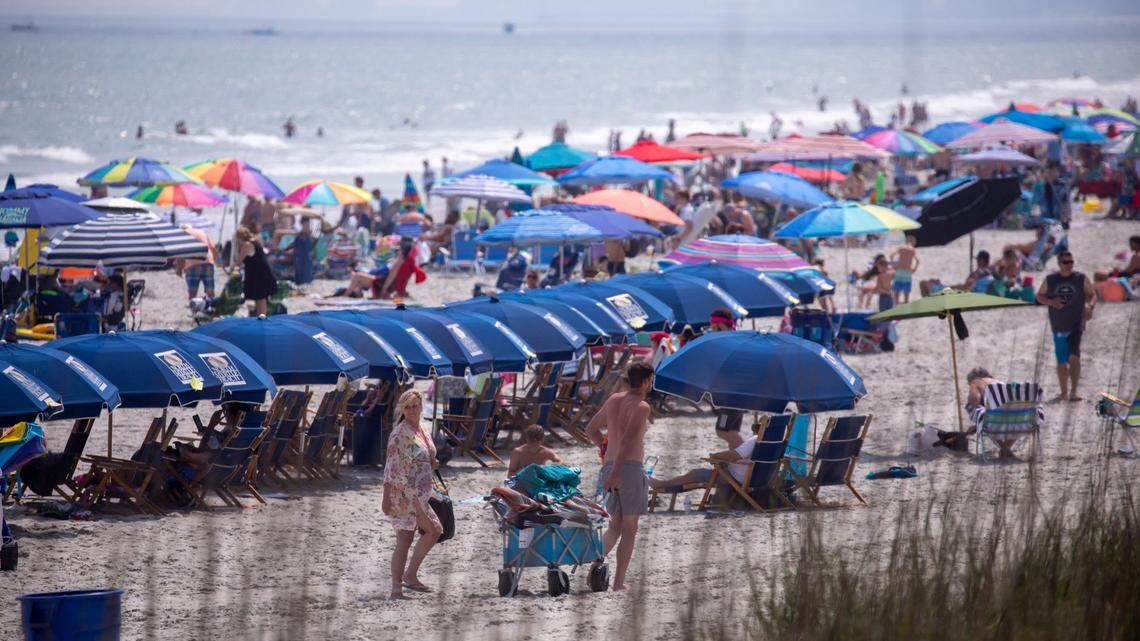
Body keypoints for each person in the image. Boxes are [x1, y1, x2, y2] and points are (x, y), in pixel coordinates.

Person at [585, 363, 654, 592]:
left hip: (610, 466)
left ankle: (596, 564)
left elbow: (591, 429)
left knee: (614, 525)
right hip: (629, 468)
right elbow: (627, 441)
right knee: (630, 527)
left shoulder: (613, 400)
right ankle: (618, 583)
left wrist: (605, 454)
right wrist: (616, 472)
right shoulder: (642, 407)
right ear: (645, 381)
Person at [382, 390, 442, 599]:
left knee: (433, 530)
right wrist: (387, 497)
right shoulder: (399, 434)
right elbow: (392, 468)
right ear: (402, 410)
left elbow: (424, 456)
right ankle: (397, 587)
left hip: (422, 493)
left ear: (421, 405)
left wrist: (432, 464)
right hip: (406, 495)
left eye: (416, 405)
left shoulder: (422, 429)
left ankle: (409, 576)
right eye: (408, 407)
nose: (413, 410)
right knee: (408, 538)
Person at [1036, 250, 1095, 402]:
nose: (1069, 265)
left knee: (1074, 356)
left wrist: (1090, 306)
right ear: (1059, 264)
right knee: (1062, 362)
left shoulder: (1080, 278)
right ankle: (1064, 393)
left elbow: (1092, 294)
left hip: (1076, 324)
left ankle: (1074, 392)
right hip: (1058, 326)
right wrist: (1051, 302)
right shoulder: (1051, 279)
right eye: (1066, 262)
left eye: (1071, 262)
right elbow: (1039, 296)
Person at [648, 419, 768, 493]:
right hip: (757, 479)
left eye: (755, 427)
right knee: (703, 472)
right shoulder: (773, 442)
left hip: (736, 479)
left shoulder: (756, 440)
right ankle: (663, 484)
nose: (753, 430)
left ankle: (661, 485)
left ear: (760, 429)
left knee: (695, 474)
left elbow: (734, 455)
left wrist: (716, 456)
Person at [235, 226, 277, 316]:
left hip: (259, 275)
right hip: (262, 273)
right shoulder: (255, 241)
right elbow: (253, 259)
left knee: (260, 298)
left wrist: (233, 268)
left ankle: (262, 317)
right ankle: (261, 317)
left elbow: (238, 261)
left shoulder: (247, 245)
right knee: (261, 298)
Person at [176, 225, 216, 301]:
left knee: (192, 293)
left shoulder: (182, 234)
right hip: (207, 262)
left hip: (192, 264)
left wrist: (179, 269)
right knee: (210, 292)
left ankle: (194, 310)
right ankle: (212, 308)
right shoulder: (202, 232)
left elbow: (180, 252)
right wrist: (212, 261)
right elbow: (213, 247)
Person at [890, 235, 920, 304]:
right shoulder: (912, 250)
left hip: (899, 271)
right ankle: (905, 309)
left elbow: (891, 255)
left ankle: (896, 307)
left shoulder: (901, 248)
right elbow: (918, 260)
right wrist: (914, 269)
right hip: (907, 272)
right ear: (913, 242)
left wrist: (893, 265)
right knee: (906, 294)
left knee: (896, 293)